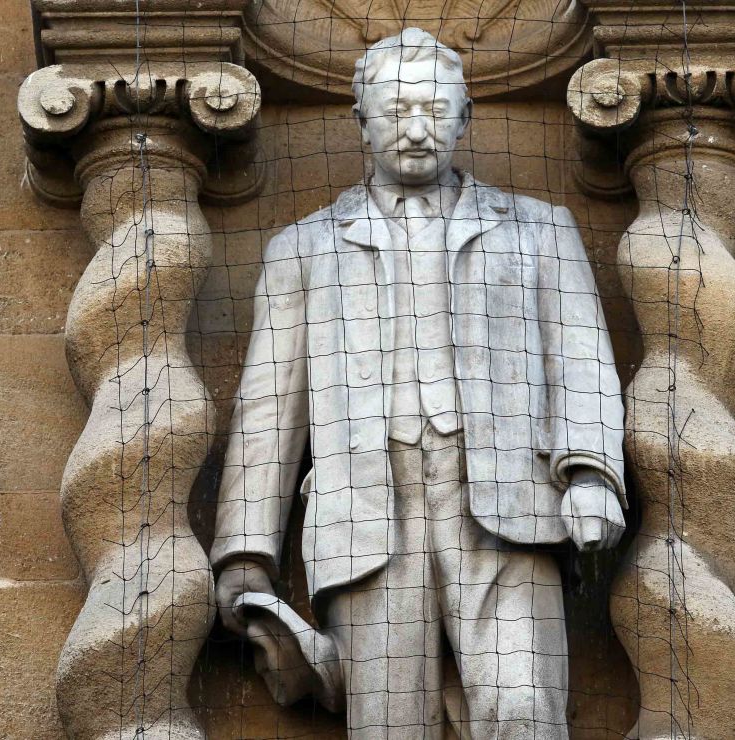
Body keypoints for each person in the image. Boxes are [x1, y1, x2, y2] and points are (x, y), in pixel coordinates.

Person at [212, 27, 626, 739]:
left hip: (510, 508)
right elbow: (267, 409)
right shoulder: (303, 249)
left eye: (435, 111)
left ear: (464, 119)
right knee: (388, 725)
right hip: (366, 515)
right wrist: (246, 553)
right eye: (395, 112)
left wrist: (592, 475)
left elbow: (582, 361)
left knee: (525, 712)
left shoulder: (538, 230)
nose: (414, 132)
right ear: (361, 122)